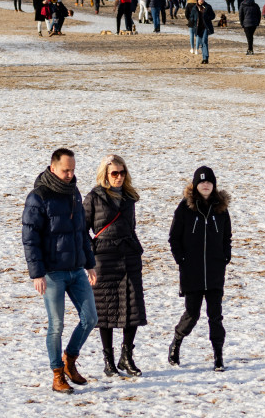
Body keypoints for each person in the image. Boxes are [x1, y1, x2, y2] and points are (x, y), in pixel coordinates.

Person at [22, 148, 98, 394]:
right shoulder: (38, 197)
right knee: (56, 325)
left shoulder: (74, 193)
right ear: (53, 168)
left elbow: (80, 232)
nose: (70, 174)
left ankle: (70, 360)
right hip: (53, 273)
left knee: (91, 319)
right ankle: (57, 374)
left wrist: (89, 263)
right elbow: (30, 237)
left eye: (73, 170)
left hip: (76, 270)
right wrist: (36, 273)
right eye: (66, 170)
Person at [84, 155, 147, 377]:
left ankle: (126, 357)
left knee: (133, 307)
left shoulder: (130, 197)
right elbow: (82, 229)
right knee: (106, 309)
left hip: (129, 256)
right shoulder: (94, 197)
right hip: (104, 258)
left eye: (122, 173)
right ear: (105, 174)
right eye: (114, 173)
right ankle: (108, 360)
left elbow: (131, 226)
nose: (119, 177)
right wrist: (92, 252)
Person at [168, 165, 232, 372]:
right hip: (192, 272)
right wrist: (182, 260)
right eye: (202, 182)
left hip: (214, 272)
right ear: (195, 185)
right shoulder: (185, 208)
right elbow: (174, 237)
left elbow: (226, 237)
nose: (205, 185)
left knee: (215, 315)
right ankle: (176, 342)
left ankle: (218, 355)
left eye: (209, 182)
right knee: (192, 314)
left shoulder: (221, 209)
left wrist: (225, 257)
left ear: (214, 185)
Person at [188, 0, 216, 64]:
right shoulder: (195, 8)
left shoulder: (207, 7)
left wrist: (207, 17)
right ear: (197, 0)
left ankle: (205, 58)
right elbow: (191, 17)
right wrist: (192, 22)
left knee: (204, 41)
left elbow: (213, 16)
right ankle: (204, 58)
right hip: (198, 28)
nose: (201, 0)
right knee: (201, 43)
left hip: (206, 27)